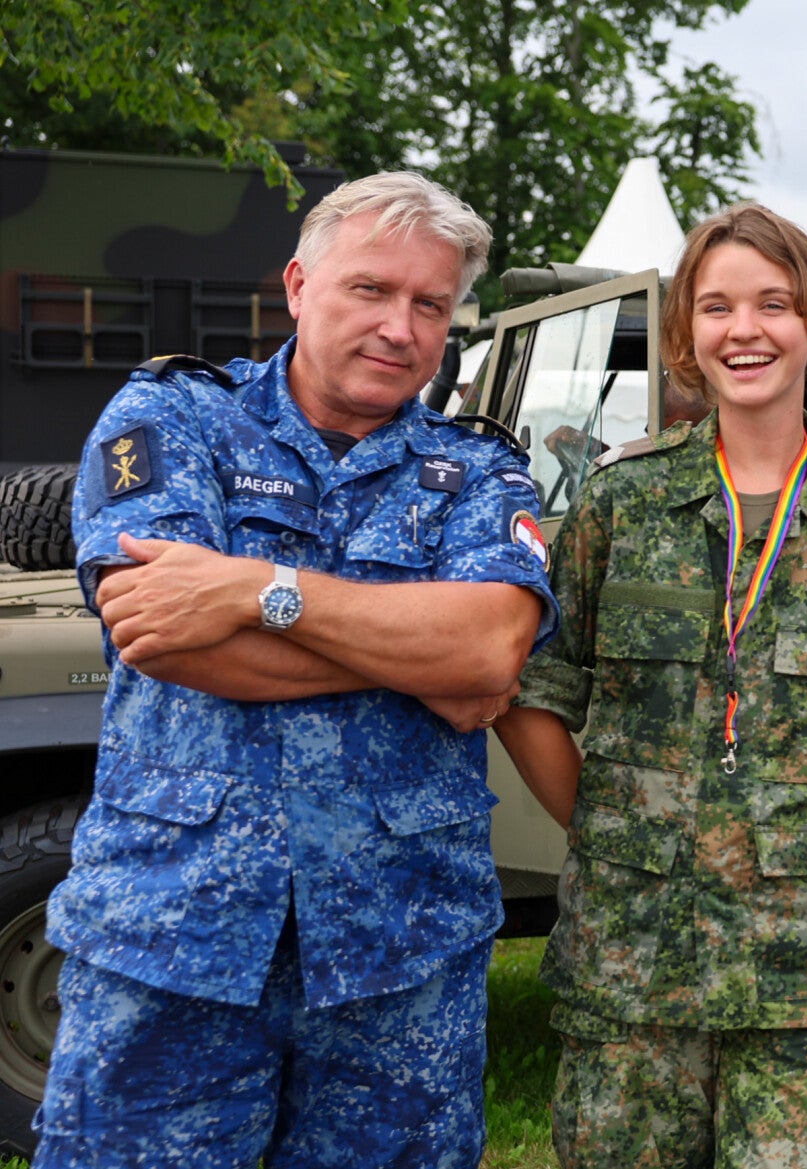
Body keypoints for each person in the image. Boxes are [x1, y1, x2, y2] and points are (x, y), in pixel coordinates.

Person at [38, 172, 557, 1168]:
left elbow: (489, 650)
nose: (400, 326)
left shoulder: (478, 470)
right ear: (298, 285)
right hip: (173, 938)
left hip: (399, 956)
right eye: (371, 288)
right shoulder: (175, 416)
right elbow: (167, 635)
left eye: (430, 305)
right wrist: (416, 653)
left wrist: (255, 588)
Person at [491, 203, 807, 1169]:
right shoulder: (621, 501)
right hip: (631, 970)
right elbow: (533, 684)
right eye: (716, 307)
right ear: (685, 332)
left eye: (773, 304)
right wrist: (605, 823)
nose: (745, 330)